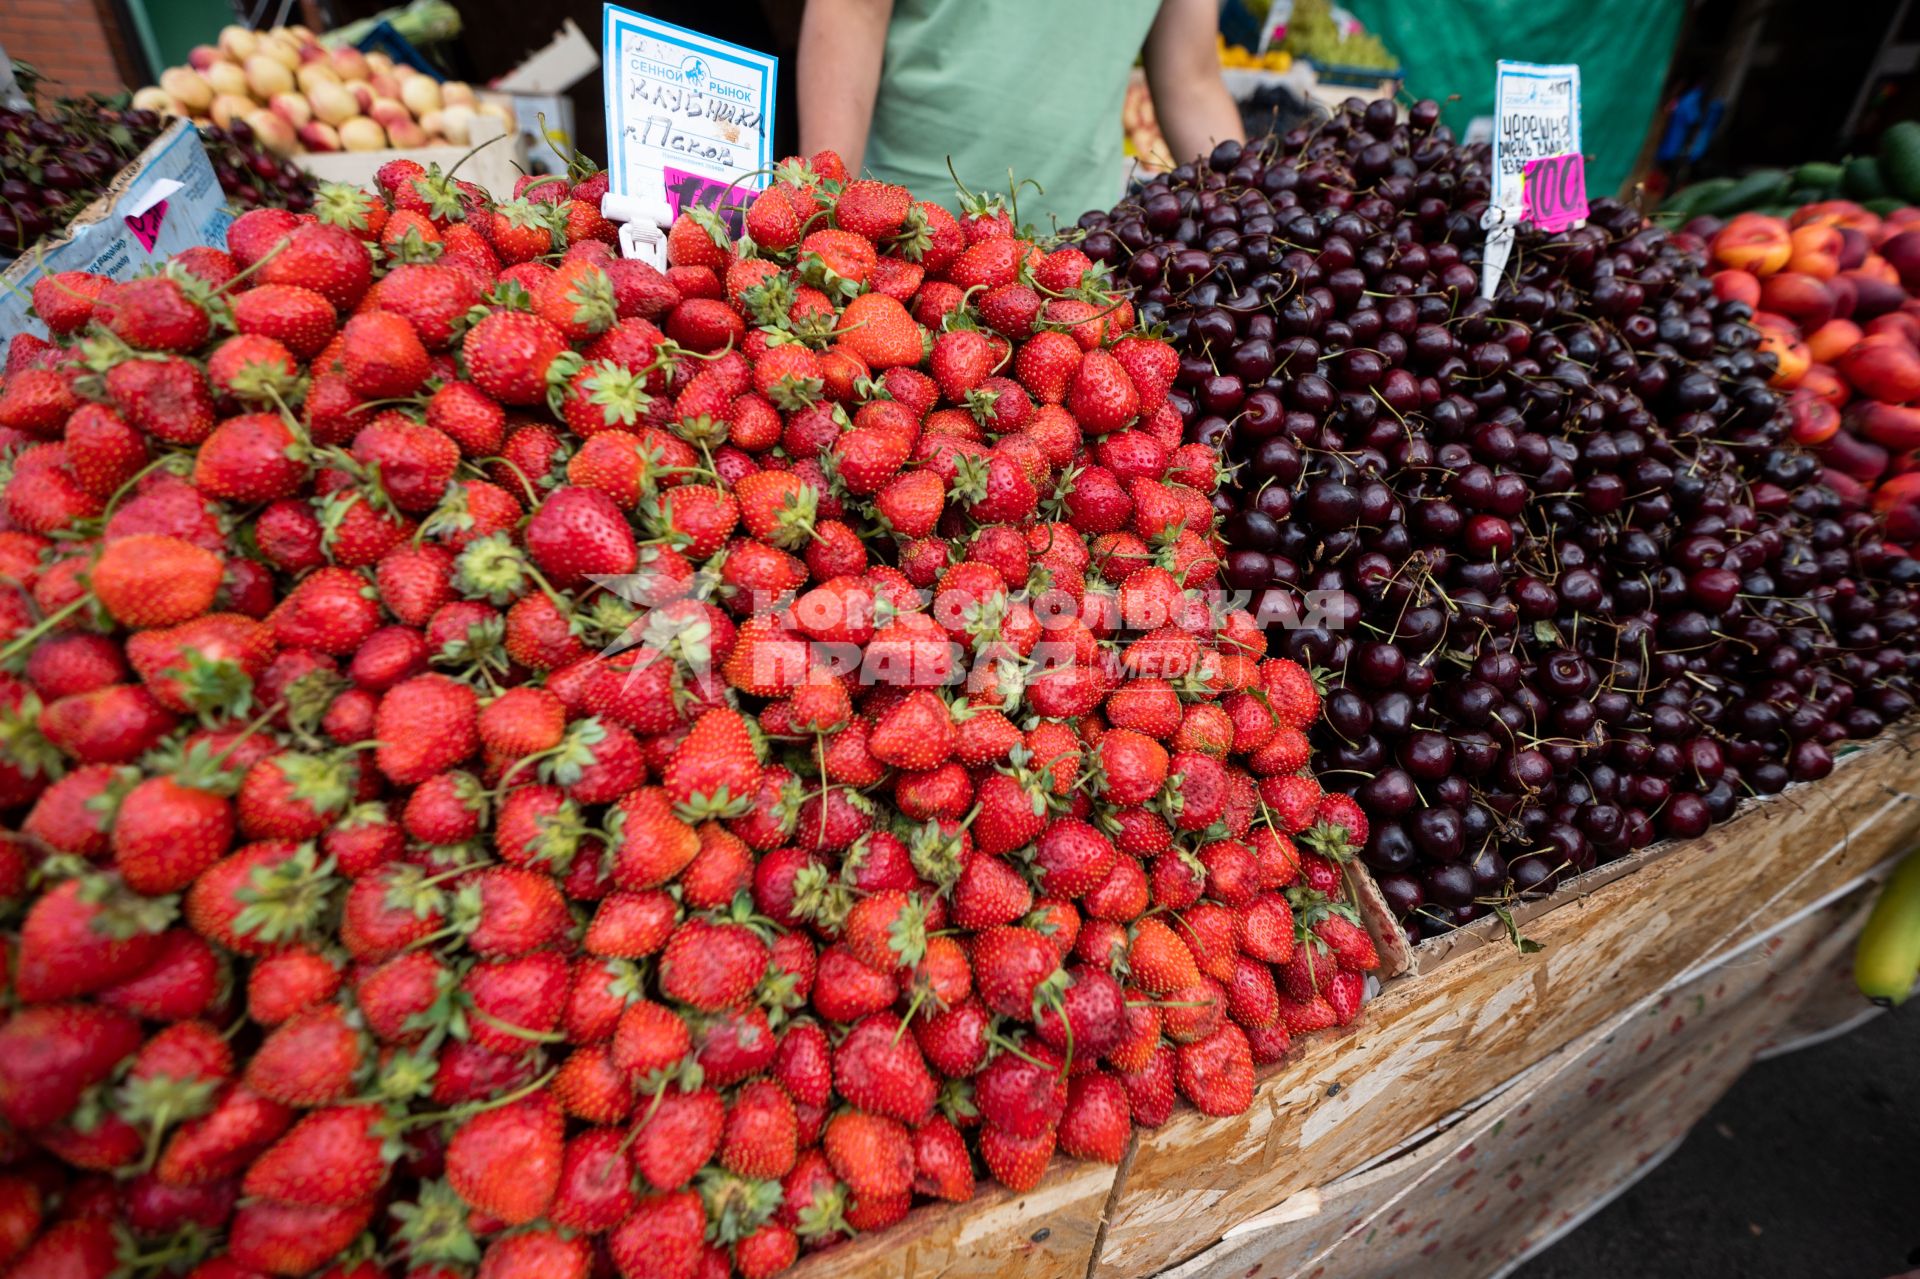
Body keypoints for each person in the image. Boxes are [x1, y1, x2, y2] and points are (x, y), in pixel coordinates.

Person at [797, 0, 1244, 230]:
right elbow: (854, 10)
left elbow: (1192, 80)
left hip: (1079, 259)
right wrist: (825, 213)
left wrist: (1251, 223)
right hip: (904, 234)